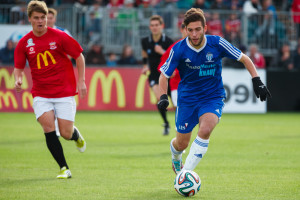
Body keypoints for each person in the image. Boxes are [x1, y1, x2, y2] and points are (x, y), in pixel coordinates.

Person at [158, 8, 271, 175]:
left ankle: (185, 174)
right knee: (181, 144)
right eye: (190, 30)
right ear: (185, 30)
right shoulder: (179, 49)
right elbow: (163, 75)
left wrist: (257, 80)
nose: (194, 34)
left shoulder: (217, 43)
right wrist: (162, 96)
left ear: (205, 28)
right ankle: (176, 156)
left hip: (212, 97)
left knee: (206, 129)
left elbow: (244, 58)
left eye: (198, 29)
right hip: (187, 99)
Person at [14, 0, 87, 179]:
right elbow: (18, 67)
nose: (41, 21)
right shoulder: (24, 43)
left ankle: (76, 135)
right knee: (48, 128)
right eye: (37, 18)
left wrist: (82, 81)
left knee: (65, 133)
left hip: (64, 92)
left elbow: (79, 56)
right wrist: (18, 79)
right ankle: (64, 168)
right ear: (30, 19)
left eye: (44, 17)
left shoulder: (60, 36)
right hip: (41, 93)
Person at [141, 15, 173, 135]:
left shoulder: (168, 41)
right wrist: (145, 65)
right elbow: (144, 53)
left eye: (157, 25)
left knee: (175, 103)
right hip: (154, 75)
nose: (154, 27)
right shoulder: (145, 41)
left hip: (168, 76)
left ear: (162, 26)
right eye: (152, 25)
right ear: (150, 27)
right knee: (160, 99)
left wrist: (162, 52)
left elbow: (173, 58)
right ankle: (166, 123)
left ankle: (179, 126)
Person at [157, 23, 187, 108]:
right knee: (181, 111)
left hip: (193, 85)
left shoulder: (199, 48)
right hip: (177, 85)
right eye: (188, 29)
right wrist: (169, 72)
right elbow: (162, 65)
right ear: (182, 30)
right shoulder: (175, 47)